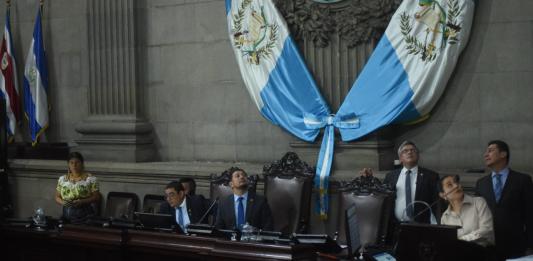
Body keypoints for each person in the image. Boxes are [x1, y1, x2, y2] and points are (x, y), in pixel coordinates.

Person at [475, 140, 533, 260]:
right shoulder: (481, 183)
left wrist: (530, 245)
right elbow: (476, 214)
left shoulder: (522, 180)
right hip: (487, 246)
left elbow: (530, 215)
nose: (486, 154)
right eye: (486, 152)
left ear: (503, 154)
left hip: (516, 246)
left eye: (490, 151)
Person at [361, 140, 440, 224]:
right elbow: (382, 194)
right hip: (396, 225)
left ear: (418, 155)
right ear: (400, 158)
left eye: (413, 150)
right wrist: (370, 179)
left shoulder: (431, 176)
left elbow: (437, 204)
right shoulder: (391, 176)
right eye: (405, 151)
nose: (409, 152)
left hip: (422, 225)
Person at [439, 175, 494, 247]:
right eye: (450, 185)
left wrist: (460, 241)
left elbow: (487, 230)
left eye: (456, 182)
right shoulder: (445, 217)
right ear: (443, 195)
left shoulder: (479, 202)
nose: (456, 186)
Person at [55, 152, 100, 224]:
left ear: (82, 164)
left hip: (85, 216)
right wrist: (63, 202)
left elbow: (96, 197)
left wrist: (82, 201)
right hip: (66, 215)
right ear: (68, 165)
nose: (74, 165)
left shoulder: (90, 179)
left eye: (77, 162)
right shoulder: (62, 179)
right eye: (71, 163)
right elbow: (57, 197)